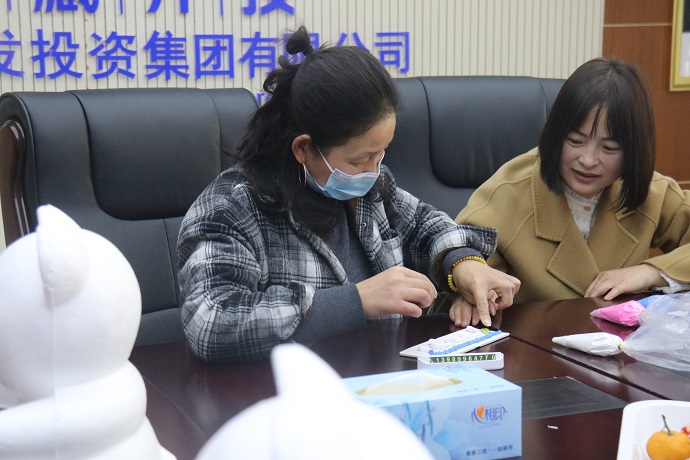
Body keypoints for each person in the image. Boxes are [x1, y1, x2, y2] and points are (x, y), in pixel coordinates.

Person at [177, 26, 520, 362]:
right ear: (303, 148)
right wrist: (357, 301)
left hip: (382, 375)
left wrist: (462, 264)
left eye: (381, 153)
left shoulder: (370, 188)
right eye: (359, 159)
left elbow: (423, 226)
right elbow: (211, 320)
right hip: (289, 389)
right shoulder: (232, 207)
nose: (374, 170)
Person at [456, 57, 690, 307]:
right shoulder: (506, 195)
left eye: (609, 148)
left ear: (634, 151)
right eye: (575, 141)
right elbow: (459, 269)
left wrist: (651, 273)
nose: (588, 160)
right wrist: (473, 297)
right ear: (555, 135)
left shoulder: (651, 191)